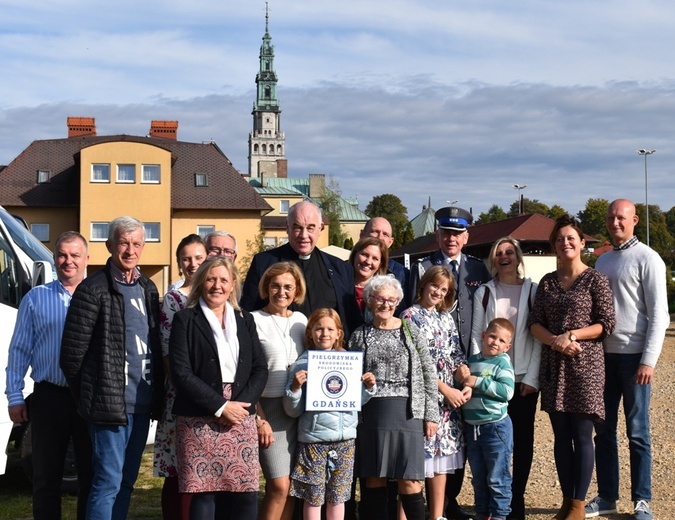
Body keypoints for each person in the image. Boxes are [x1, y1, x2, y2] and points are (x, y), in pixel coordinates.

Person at [60, 216, 164, 520]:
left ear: (143, 247)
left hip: (142, 405)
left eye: (136, 244)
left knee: (127, 483)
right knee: (106, 483)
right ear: (109, 245)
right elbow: (71, 357)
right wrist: (93, 396)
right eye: (123, 242)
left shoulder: (148, 289)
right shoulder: (92, 290)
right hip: (109, 407)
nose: (130, 250)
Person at [585, 199, 669, 520]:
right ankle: (607, 496)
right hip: (604, 359)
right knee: (603, 431)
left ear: (634, 220)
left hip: (635, 361)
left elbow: (659, 315)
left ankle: (642, 500)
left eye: (621, 217)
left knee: (637, 431)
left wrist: (648, 360)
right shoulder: (603, 262)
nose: (615, 222)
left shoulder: (649, 259)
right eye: (610, 217)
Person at [527, 215, 615, 520]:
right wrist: (555, 341)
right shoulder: (548, 282)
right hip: (554, 366)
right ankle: (567, 501)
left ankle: (578, 505)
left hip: (585, 366)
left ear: (580, 243)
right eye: (560, 238)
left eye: (571, 238)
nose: (566, 242)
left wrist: (572, 335)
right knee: (561, 437)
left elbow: (606, 324)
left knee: (581, 434)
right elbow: (534, 323)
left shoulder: (595, 279)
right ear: (554, 244)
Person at [169, 256, 268, 520]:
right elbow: (181, 372)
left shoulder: (245, 319)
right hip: (199, 417)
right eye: (211, 279)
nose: (217, 285)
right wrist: (220, 406)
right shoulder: (184, 320)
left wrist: (241, 408)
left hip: (241, 413)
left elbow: (260, 368)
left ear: (233, 283)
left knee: (244, 493)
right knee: (204, 492)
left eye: (224, 279)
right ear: (201, 282)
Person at [408, 206, 491, 520]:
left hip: (464, 363)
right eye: (446, 233)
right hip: (432, 369)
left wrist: (468, 371)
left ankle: (449, 503)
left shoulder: (478, 269)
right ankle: (427, 506)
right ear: (437, 234)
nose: (451, 238)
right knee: (429, 439)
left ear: (466, 236)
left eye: (457, 233)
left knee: (459, 440)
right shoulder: (422, 267)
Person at [5, 231, 93, 520]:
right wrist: (15, 396)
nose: (69, 261)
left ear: (86, 259)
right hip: (48, 398)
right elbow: (19, 350)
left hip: (88, 398)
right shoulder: (35, 299)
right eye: (62, 255)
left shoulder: (99, 298)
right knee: (45, 479)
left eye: (75, 255)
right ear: (54, 259)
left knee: (91, 478)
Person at [348, 275, 439, 520]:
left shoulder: (411, 330)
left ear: (398, 301)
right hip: (372, 412)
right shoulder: (359, 335)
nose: (386, 304)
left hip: (408, 412)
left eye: (391, 299)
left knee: (409, 478)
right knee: (374, 477)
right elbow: (349, 376)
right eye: (380, 299)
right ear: (369, 301)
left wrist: (431, 415)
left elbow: (428, 372)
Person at [470, 237, 541, 520]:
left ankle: (516, 505)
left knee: (522, 444)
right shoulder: (485, 292)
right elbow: (477, 336)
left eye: (509, 252)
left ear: (518, 257)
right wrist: (478, 374)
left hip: (523, 380)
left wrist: (533, 378)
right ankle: (491, 507)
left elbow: (537, 338)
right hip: (490, 384)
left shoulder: (532, 291)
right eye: (499, 253)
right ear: (493, 259)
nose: (504, 256)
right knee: (492, 448)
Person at [283, 308, 377, 520]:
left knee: (338, 496)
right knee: (313, 497)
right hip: (313, 442)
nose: (324, 333)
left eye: (329, 329)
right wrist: (295, 389)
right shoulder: (301, 364)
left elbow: (354, 401)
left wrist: (368, 388)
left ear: (338, 334)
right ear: (310, 333)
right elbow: (292, 410)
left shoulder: (348, 363)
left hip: (345, 440)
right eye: (319, 329)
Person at [401, 266, 471, 520]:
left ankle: (437, 515)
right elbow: (417, 362)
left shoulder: (446, 318)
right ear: (424, 284)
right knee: (416, 463)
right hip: (424, 398)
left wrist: (466, 379)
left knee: (441, 462)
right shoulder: (409, 317)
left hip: (448, 402)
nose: (438, 292)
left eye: (444, 290)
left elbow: (455, 354)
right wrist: (445, 390)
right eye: (435, 286)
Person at [241, 200, 361, 338]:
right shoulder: (264, 263)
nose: (304, 235)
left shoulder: (341, 269)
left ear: (320, 228)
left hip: (327, 355)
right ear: (287, 227)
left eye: (310, 228)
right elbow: (248, 314)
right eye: (297, 227)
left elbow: (351, 320)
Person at [155, 234, 208, 520]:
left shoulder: (215, 295)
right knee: (178, 470)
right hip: (181, 395)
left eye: (198, 257)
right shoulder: (174, 299)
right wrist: (185, 390)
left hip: (212, 397)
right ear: (178, 264)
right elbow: (166, 351)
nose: (193, 264)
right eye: (186, 258)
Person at [252, 262, 308, 520]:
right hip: (268, 412)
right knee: (278, 485)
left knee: (293, 488)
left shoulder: (301, 321)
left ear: (296, 291)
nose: (281, 292)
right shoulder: (253, 320)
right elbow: (246, 377)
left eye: (288, 287)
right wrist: (259, 418)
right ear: (266, 287)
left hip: (299, 410)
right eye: (275, 286)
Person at [457, 318, 515, 520]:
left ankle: (499, 516)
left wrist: (477, 381)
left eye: (501, 341)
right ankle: (482, 514)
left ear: (507, 347)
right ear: (483, 336)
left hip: (495, 427)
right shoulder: (471, 361)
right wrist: (461, 380)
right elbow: (464, 388)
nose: (494, 342)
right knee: (479, 477)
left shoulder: (502, 362)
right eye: (492, 336)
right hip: (472, 428)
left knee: (497, 477)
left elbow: (507, 391)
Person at [360, 217, 409, 302]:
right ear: (362, 235)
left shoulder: (402, 274)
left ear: (390, 242)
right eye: (375, 231)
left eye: (385, 234)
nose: (379, 237)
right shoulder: (343, 270)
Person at [348, 236, 388, 320]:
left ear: (380, 264)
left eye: (375, 258)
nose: (368, 262)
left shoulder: (385, 292)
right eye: (364, 255)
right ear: (355, 255)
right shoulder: (338, 285)